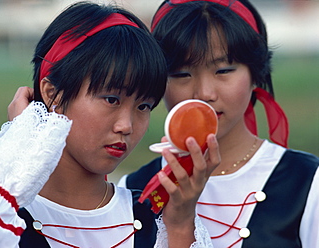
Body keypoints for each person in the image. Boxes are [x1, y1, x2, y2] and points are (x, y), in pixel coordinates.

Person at [0, 2, 220, 248]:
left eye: (143, 106)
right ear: (52, 94)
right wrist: (22, 140)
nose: (126, 126)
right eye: (111, 99)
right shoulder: (2, 213)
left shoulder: (158, 223)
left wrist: (182, 223)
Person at [116, 0, 319, 247]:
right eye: (181, 74)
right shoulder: (135, 188)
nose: (204, 93)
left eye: (223, 70)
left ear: (257, 75)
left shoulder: (308, 183)